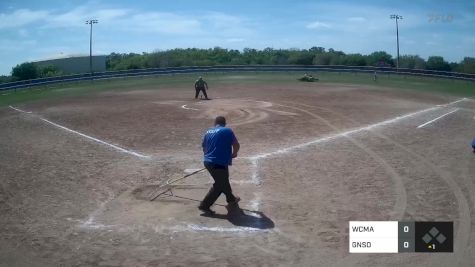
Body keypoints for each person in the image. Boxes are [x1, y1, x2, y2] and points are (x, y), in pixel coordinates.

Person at [199, 116, 240, 214]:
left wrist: (209, 157)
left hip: (208, 162)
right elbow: (236, 144)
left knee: (223, 181)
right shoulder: (227, 130)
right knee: (219, 185)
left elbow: (203, 146)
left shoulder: (208, 131)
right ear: (224, 123)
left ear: (215, 123)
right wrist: (234, 154)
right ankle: (204, 205)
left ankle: (231, 199)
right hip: (219, 163)